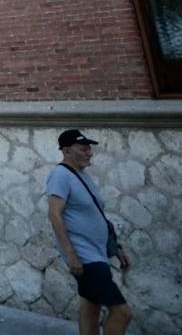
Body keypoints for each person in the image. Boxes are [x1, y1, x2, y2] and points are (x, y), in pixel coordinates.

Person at [46, 129, 133, 335]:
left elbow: (97, 215)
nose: (89, 153)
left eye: (89, 148)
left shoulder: (82, 176)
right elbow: (54, 215)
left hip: (97, 253)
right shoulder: (60, 175)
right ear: (67, 151)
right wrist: (71, 255)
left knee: (90, 306)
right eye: (83, 148)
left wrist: (116, 247)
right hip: (85, 257)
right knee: (122, 312)